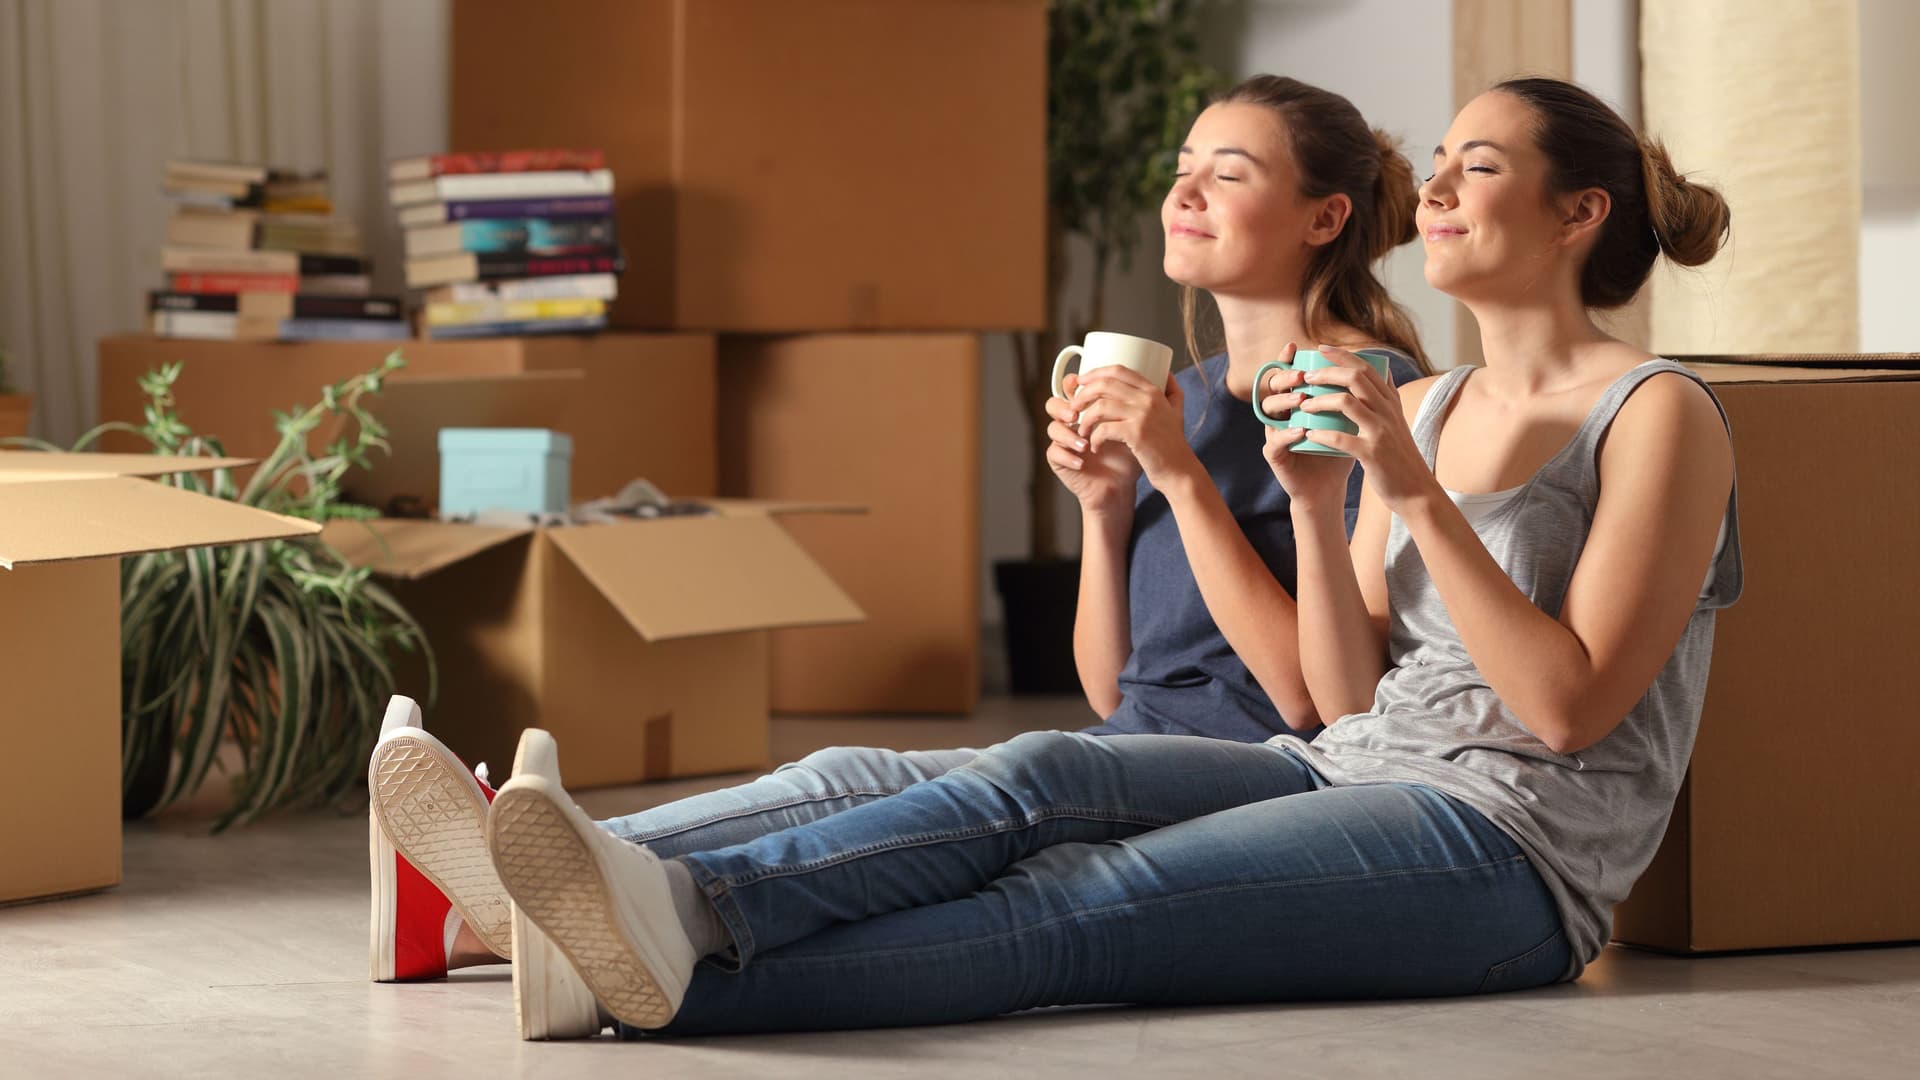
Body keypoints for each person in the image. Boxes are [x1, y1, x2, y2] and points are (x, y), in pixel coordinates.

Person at [477, 75, 1742, 1039]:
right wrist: (1316, 498)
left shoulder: (1657, 414)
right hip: (1342, 769)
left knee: (1081, 908)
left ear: (1579, 213)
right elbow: (1348, 701)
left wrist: (1407, 496)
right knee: (1033, 773)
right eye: (1444, 168)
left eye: (1480, 168)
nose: (1442, 192)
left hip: (1509, 855)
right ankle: (657, 899)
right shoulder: (1423, 406)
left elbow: (1571, 710)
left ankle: (659, 971)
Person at [367, 74, 1430, 1015]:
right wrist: (1104, 512)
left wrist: (1175, 477)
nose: (1184, 193)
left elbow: (1313, 704)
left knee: (1007, 779)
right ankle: (505, 879)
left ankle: (559, 883)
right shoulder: (1184, 397)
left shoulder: (1364, 396)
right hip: (1127, 750)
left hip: (1259, 778)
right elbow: (1119, 692)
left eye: (1228, 172)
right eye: (1183, 166)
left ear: (1323, 216)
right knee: (856, 767)